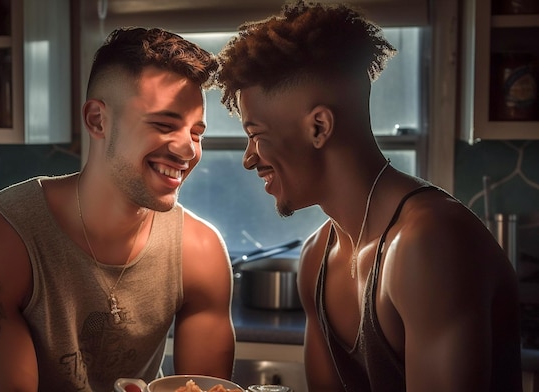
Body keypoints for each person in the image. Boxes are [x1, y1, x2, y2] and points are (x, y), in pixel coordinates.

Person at [215, 2, 522, 391]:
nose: (248, 158)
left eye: (256, 134)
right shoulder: (316, 257)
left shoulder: (429, 243)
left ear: (319, 127)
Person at [0, 27, 235, 392]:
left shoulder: (200, 251)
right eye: (164, 125)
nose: (189, 151)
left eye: (196, 133)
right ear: (97, 120)